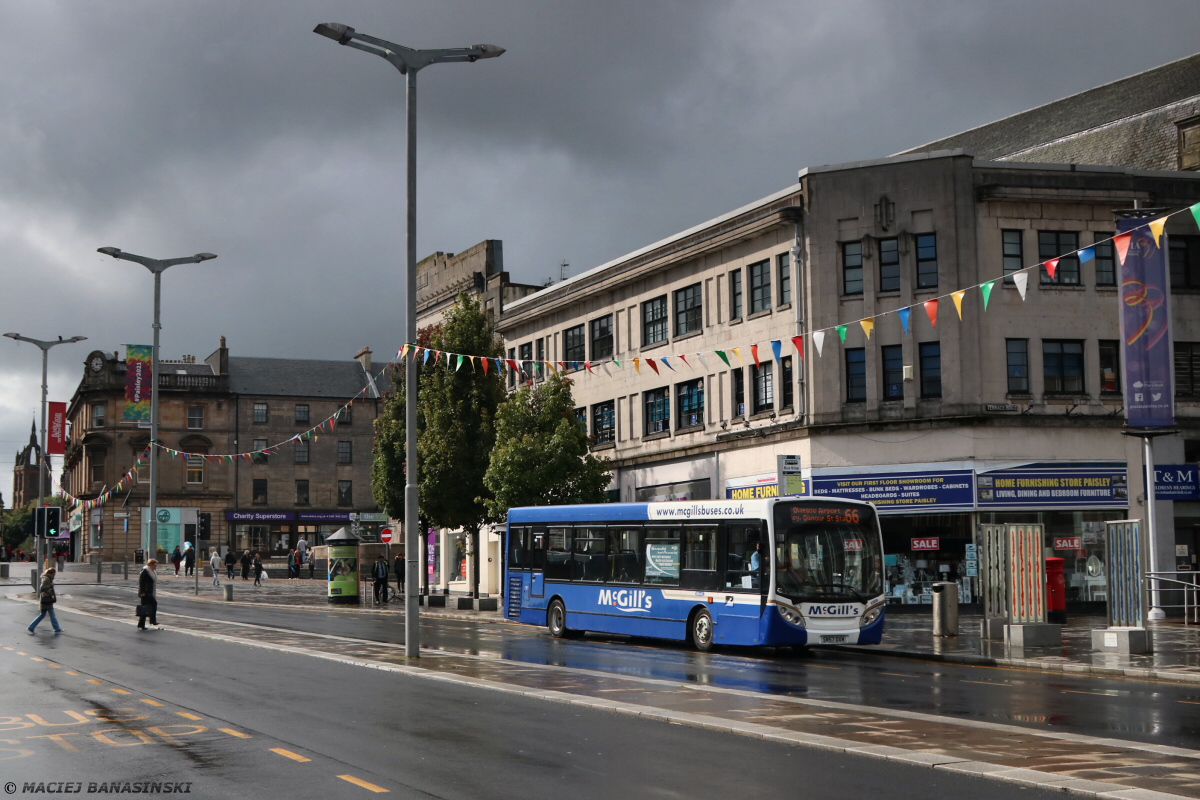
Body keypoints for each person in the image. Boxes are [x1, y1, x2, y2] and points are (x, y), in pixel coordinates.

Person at [28, 567, 63, 634]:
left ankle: (31, 627)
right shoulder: (47, 579)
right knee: (52, 615)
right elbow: (42, 588)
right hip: (47, 600)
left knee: (42, 615)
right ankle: (57, 628)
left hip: (45, 600)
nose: (55, 575)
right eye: (54, 573)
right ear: (52, 573)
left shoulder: (47, 578)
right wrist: (50, 585)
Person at [137, 559, 160, 630]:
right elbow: (141, 582)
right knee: (153, 604)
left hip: (148, 591)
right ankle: (152, 620)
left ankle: (141, 624)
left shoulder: (151, 571)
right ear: (150, 564)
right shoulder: (145, 571)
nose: (155, 567)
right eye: (154, 565)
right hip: (145, 592)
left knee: (144, 607)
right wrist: (142, 592)